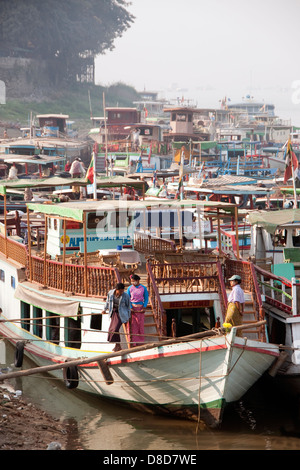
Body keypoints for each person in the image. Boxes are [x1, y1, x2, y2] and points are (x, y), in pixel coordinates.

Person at [102, 283, 131, 352]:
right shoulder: (111, 293)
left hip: (121, 314)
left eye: (122, 291)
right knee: (111, 329)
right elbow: (107, 302)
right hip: (113, 312)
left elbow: (128, 307)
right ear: (116, 290)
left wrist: (128, 317)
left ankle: (118, 345)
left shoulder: (126, 296)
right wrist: (104, 309)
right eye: (120, 291)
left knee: (115, 329)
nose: (121, 292)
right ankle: (118, 345)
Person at [127, 274, 149, 347]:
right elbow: (128, 299)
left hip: (140, 309)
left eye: (134, 281)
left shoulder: (143, 288)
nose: (133, 283)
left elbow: (146, 299)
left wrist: (144, 307)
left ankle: (140, 342)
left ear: (137, 280)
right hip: (133, 309)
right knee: (133, 326)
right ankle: (133, 342)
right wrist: (130, 307)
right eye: (131, 281)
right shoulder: (129, 288)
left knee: (140, 325)